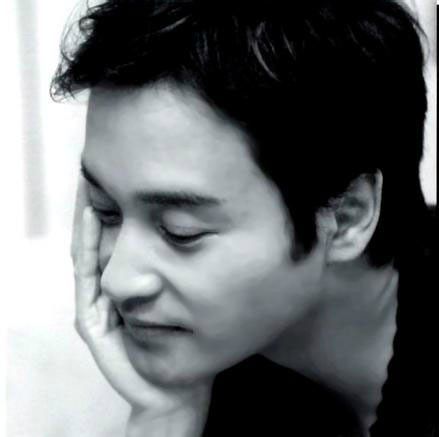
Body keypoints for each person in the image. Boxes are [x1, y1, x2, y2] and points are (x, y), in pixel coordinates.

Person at [51, 1, 437, 436]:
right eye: (106, 211)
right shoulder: (234, 375)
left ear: (347, 217)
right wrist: (165, 416)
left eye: (181, 232)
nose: (117, 281)